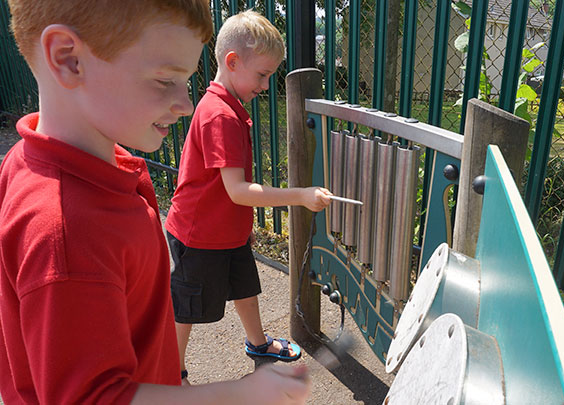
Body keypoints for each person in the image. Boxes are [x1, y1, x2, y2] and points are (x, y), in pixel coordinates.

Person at [0, 1, 310, 403]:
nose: (185, 104)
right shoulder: (66, 231)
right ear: (68, 58)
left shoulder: (34, 163)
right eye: (166, 81)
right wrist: (237, 394)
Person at [164, 10, 332, 385]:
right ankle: (172, 372)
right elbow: (238, 191)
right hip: (199, 236)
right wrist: (301, 196)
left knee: (245, 287)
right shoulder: (219, 115)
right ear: (232, 61)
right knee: (187, 308)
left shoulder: (229, 108)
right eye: (262, 75)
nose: (266, 84)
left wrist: (243, 228)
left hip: (226, 231)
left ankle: (257, 343)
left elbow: (229, 190)